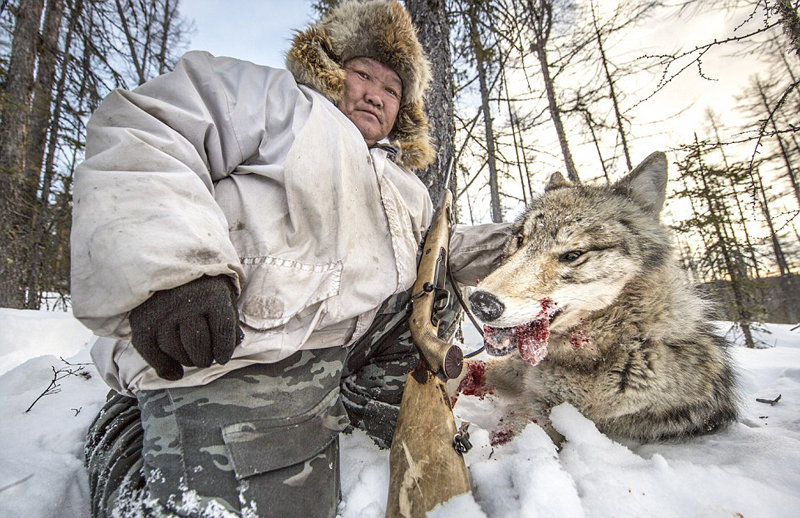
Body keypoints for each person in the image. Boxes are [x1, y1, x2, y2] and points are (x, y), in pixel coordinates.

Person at [73, 1, 509, 517]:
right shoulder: (275, 99)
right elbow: (146, 129)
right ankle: (132, 428)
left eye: (392, 89)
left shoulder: (404, 184)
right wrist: (177, 270)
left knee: (429, 290)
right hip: (234, 345)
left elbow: (438, 252)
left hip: (342, 347)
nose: (375, 93)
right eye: (362, 73)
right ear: (330, 69)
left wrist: (531, 241)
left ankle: (360, 418)